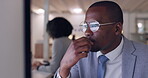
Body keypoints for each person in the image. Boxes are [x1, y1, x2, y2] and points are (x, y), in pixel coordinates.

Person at [54, 1, 148, 78]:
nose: (87, 32)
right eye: (85, 26)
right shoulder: (80, 55)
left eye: (94, 25)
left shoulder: (144, 56)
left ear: (117, 29)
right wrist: (64, 67)